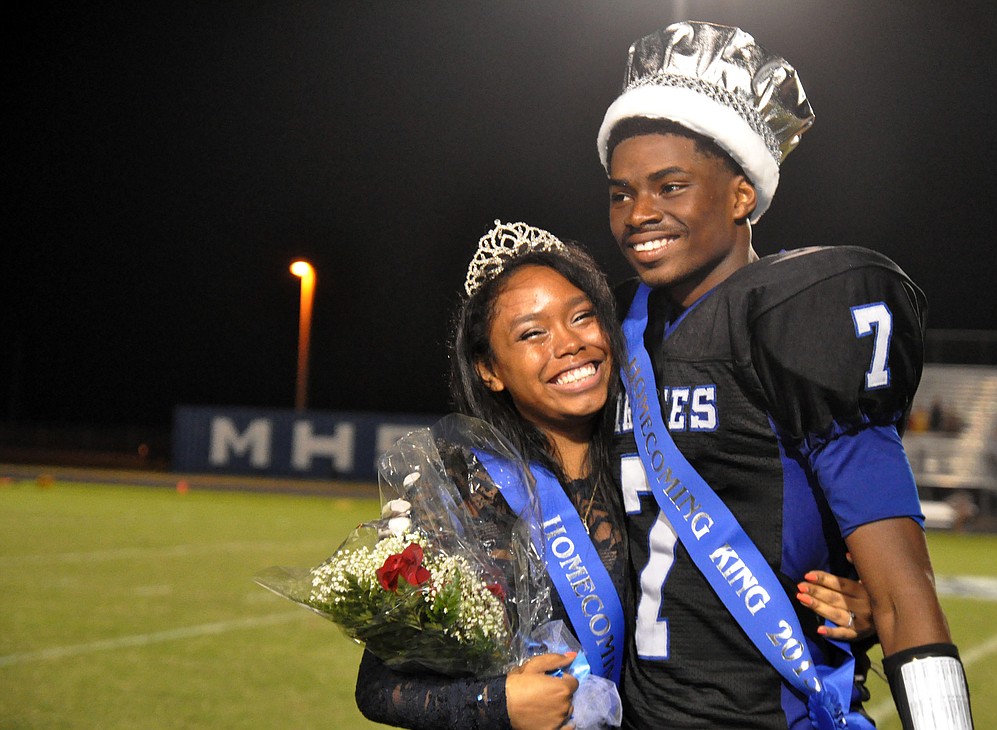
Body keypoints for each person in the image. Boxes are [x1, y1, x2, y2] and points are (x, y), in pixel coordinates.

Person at [354, 220, 877, 729]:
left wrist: (852, 613)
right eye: (533, 333)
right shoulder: (469, 491)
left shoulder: (661, 455)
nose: (569, 343)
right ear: (488, 369)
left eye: (582, 317)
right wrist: (501, 704)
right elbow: (378, 686)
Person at [598, 22, 973, 730]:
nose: (639, 213)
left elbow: (902, 593)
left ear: (743, 195)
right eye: (620, 194)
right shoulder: (608, 330)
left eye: (669, 186)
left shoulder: (804, 315)